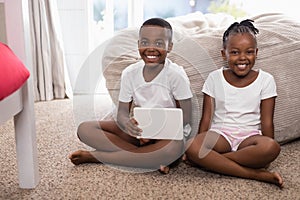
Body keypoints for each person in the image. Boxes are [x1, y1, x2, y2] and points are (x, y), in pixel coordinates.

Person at [69, 18, 193, 173]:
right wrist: (129, 126)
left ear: (170, 47)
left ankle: (99, 157)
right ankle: (150, 158)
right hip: (139, 131)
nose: (151, 48)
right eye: (145, 42)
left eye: (159, 43)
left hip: (169, 135)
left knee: (172, 149)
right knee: (84, 129)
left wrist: (155, 133)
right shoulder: (130, 73)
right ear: (138, 44)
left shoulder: (176, 75)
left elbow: (186, 117)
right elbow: (122, 113)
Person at [185, 19, 283, 187]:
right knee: (192, 145)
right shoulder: (214, 78)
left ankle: (211, 162)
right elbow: (206, 119)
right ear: (224, 54)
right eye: (235, 52)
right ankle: (255, 175)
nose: (242, 58)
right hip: (220, 135)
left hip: (249, 137)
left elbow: (267, 122)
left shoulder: (266, 80)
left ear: (256, 53)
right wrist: (200, 144)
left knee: (272, 147)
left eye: (249, 52)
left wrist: (265, 155)